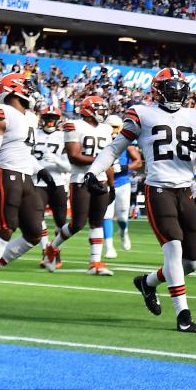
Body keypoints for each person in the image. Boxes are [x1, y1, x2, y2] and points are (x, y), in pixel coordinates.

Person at [87, 68, 196, 333]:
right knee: (173, 247)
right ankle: (183, 314)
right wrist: (94, 170)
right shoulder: (142, 113)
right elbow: (115, 147)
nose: (175, 95)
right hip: (158, 189)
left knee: (191, 262)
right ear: (158, 91)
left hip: (186, 191)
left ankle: (147, 283)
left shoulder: (195, 115)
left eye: (179, 90)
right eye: (170, 89)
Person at [0, 73, 47, 302]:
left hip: (25, 177)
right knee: (6, 228)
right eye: (27, 86)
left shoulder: (29, 118)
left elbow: (22, 152)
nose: (32, 90)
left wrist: (41, 170)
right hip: (6, 175)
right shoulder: (1, 110)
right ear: (14, 90)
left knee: (34, 234)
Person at [43, 96, 114, 275]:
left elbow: (111, 160)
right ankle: (52, 247)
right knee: (78, 223)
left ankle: (95, 263)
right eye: (98, 108)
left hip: (101, 178)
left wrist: (112, 185)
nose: (102, 112)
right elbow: (74, 156)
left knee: (97, 222)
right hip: (81, 179)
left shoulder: (106, 129)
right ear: (88, 110)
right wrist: (102, 160)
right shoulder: (74, 125)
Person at [32, 105, 71, 264]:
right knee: (37, 217)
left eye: (53, 119)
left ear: (58, 120)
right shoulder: (34, 135)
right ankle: (45, 250)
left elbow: (68, 167)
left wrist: (57, 160)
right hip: (37, 181)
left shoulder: (63, 137)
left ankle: (55, 251)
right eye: (47, 119)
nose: (49, 122)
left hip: (57, 181)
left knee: (60, 221)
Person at [102, 114, 143, 257]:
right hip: (105, 183)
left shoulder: (127, 142)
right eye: (111, 127)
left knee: (122, 217)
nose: (113, 130)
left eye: (115, 127)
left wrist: (124, 168)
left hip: (122, 183)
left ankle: (123, 231)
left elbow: (138, 162)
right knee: (106, 215)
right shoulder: (101, 140)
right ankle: (109, 247)